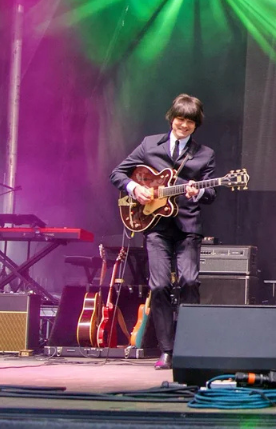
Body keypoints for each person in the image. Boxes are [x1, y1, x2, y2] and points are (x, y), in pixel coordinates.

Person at [111, 94, 216, 370]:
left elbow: (210, 192)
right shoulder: (149, 145)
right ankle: (166, 350)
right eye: (180, 119)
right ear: (172, 118)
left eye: (190, 122)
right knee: (159, 286)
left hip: (187, 228)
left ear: (196, 125)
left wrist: (197, 191)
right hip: (155, 227)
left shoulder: (204, 154)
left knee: (190, 282)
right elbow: (118, 174)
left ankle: (189, 346)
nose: (184, 125)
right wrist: (137, 189)